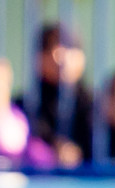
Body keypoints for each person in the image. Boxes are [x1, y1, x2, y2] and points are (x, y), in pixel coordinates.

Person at [18, 22, 94, 167]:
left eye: (70, 48)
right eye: (50, 48)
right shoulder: (23, 106)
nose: (60, 56)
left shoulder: (96, 105)